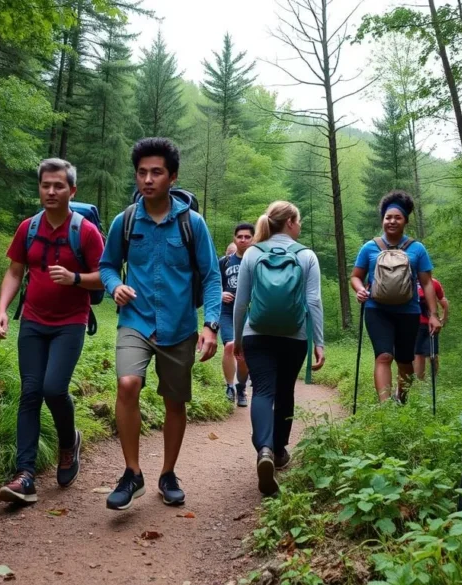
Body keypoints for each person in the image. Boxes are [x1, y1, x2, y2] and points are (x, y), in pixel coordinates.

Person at [98, 137, 222, 511]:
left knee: (174, 402)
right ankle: (132, 472)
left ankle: (168, 474)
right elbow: (106, 265)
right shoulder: (126, 220)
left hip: (179, 325)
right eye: (142, 172)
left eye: (156, 172)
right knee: (127, 382)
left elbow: (212, 276)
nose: (148, 179)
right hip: (135, 320)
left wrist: (211, 324)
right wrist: (114, 285)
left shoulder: (192, 224)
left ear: (172, 177)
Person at [0, 158, 104, 504]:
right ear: (39, 188)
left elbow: (106, 276)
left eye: (58, 186)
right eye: (45, 185)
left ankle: (69, 443)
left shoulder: (85, 231)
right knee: (30, 392)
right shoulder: (28, 227)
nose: (51, 191)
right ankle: (24, 475)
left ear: (72, 190)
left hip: (71, 321)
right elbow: (15, 271)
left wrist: (73, 278)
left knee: (54, 389)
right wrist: (2, 311)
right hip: (34, 321)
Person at [233, 201, 325, 496]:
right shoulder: (307, 255)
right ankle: (281, 450)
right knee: (285, 391)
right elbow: (313, 302)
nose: (300, 226)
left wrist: (237, 337)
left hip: (256, 333)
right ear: (290, 223)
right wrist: (319, 341)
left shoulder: (252, 253)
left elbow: (241, 302)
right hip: (294, 335)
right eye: (298, 221)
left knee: (262, 391)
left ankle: (264, 450)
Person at [351, 191, 441, 404]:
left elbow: (427, 283)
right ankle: (385, 408)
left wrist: (434, 315)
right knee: (383, 356)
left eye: (397, 217)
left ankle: (401, 397)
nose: (392, 221)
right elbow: (356, 277)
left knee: (405, 360)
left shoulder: (417, 249)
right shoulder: (369, 247)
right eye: (388, 217)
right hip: (376, 309)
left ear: (405, 221)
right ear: (382, 220)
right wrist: (359, 289)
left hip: (408, 311)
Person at [221, 223, 254, 406]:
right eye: (240, 236)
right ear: (235, 238)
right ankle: (229, 386)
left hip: (249, 313)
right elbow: (211, 283)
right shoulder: (224, 262)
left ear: (253, 239)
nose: (243, 240)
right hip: (227, 312)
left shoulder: (257, 262)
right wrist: (220, 293)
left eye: (247, 237)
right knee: (229, 346)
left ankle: (241, 387)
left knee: (243, 353)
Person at [414, 277, 449, 381]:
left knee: (432, 354)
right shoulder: (410, 283)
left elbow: (443, 301)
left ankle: (433, 378)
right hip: (416, 324)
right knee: (419, 353)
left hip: (431, 324)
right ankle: (420, 380)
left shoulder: (433, 283)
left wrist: (443, 318)